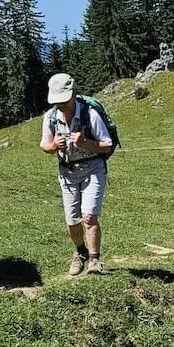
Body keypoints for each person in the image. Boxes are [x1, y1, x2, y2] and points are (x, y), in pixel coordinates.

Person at [40, 72, 113, 276]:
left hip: (93, 169)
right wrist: (54, 145)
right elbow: (44, 146)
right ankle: (80, 252)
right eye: (57, 101)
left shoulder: (90, 114)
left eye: (64, 100)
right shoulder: (51, 117)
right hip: (68, 172)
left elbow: (107, 145)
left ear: (73, 94)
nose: (61, 105)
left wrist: (85, 143)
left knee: (88, 217)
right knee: (72, 222)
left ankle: (94, 260)